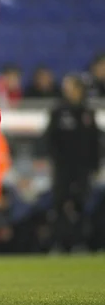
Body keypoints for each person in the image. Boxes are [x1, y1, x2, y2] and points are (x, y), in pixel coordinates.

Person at [46, 75, 100, 252]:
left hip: (82, 169)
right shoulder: (58, 112)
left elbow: (95, 142)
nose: (66, 89)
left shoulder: (88, 113)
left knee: (82, 204)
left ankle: (80, 242)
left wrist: (95, 165)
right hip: (62, 168)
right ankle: (60, 244)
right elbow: (50, 140)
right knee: (60, 204)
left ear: (79, 89)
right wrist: (52, 161)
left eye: (70, 86)